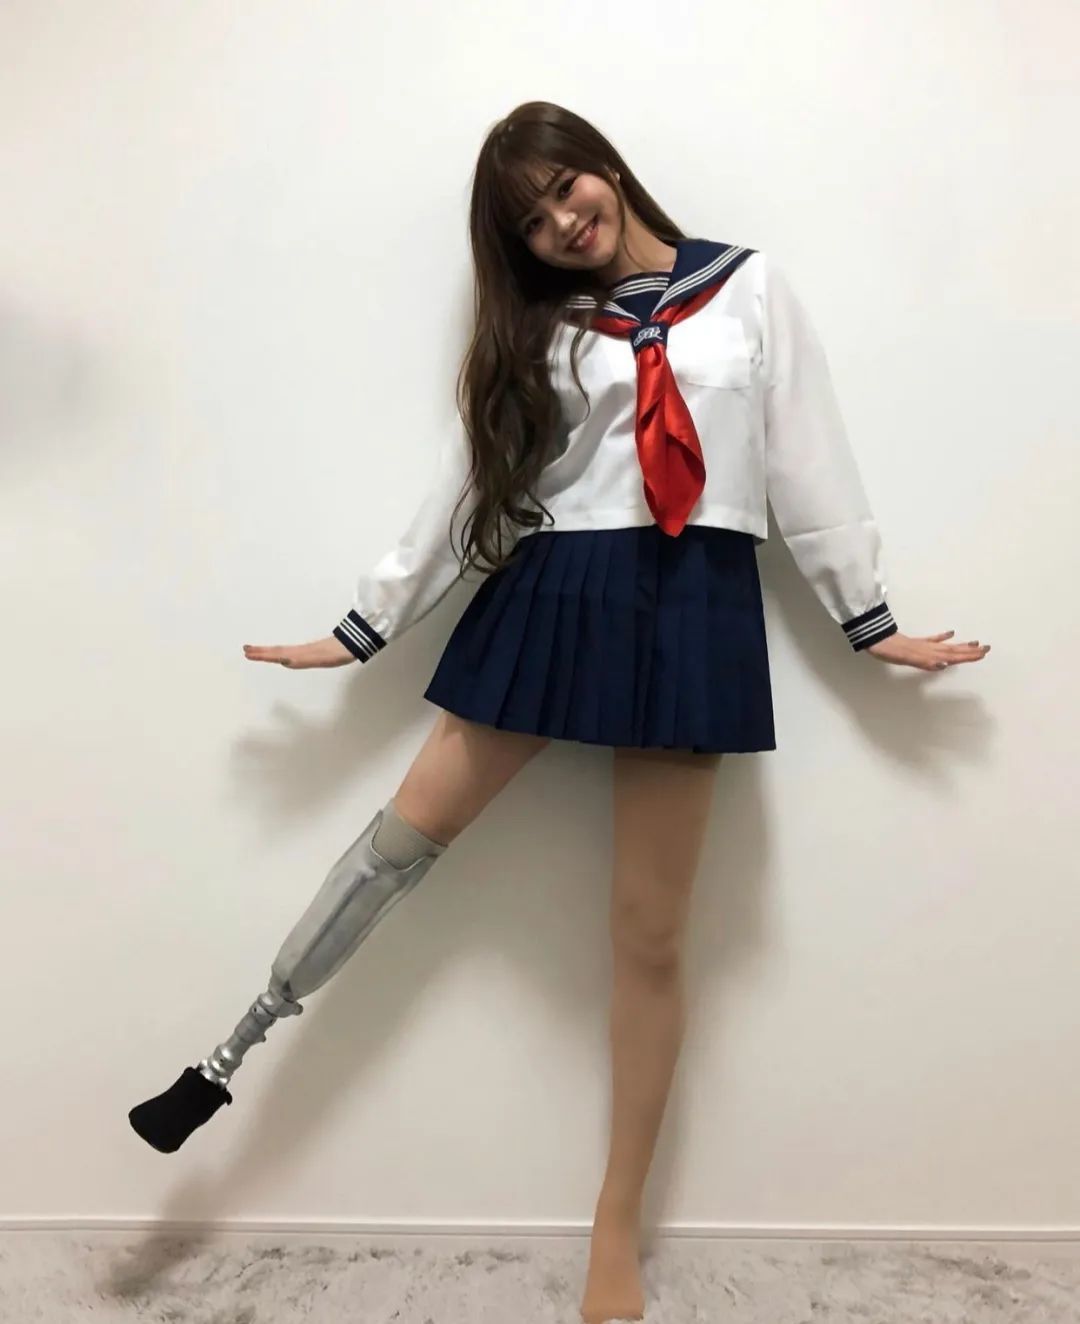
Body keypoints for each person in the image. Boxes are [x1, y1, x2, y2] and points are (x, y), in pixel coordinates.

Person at [129, 101, 991, 1324]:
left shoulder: (749, 290)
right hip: (557, 589)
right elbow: (468, 483)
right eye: (529, 222)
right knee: (397, 842)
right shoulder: (542, 330)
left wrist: (870, 615)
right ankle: (227, 1055)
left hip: (693, 605)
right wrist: (362, 624)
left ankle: (615, 1228)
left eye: (564, 188)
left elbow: (810, 459)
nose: (559, 223)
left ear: (606, 167)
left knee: (648, 936)